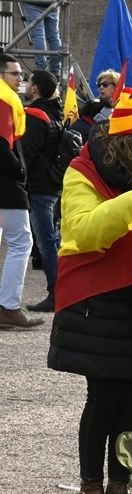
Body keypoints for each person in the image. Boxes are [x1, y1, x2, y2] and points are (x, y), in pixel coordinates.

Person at [47, 89, 132, 494]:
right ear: (124, 145)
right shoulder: (82, 171)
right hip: (96, 298)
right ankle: (90, 490)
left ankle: (122, 484)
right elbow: (84, 233)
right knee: (103, 398)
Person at [0, 54, 40, 330]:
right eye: (15, 73)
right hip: (5, 184)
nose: (20, 79)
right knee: (21, 242)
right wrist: (20, 172)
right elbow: (2, 145)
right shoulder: (4, 101)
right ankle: (9, 307)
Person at [20, 69, 63, 312]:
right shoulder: (54, 113)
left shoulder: (36, 116)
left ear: (35, 88)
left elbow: (28, 154)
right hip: (52, 184)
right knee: (50, 240)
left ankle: (55, 293)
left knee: (46, 241)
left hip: (39, 187)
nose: (25, 85)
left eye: (28, 82)